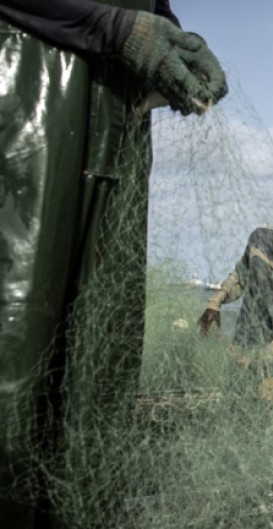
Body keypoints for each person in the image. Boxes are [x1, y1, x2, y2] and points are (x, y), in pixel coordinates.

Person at [0, 1, 226, 526]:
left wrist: (169, 33)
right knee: (16, 354)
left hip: (120, 120)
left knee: (97, 373)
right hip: (28, 88)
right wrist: (108, 24)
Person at [197, 185, 273, 382]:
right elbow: (240, 276)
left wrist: (262, 358)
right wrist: (215, 302)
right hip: (242, 347)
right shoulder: (259, 239)